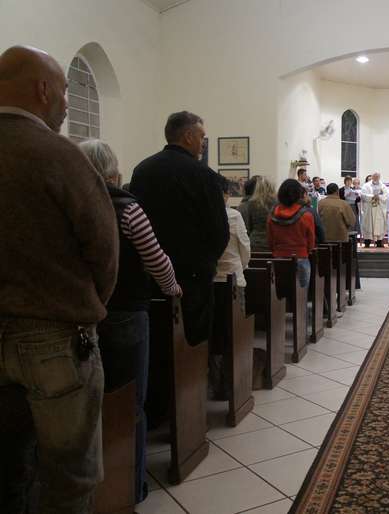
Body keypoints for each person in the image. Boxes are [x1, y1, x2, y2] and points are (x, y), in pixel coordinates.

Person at [0, 45, 119, 514]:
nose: (68, 102)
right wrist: (87, 308)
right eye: (67, 90)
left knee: (6, 470)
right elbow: (105, 252)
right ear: (43, 89)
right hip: (54, 337)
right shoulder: (60, 155)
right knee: (70, 476)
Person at [80, 139, 181, 504]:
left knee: (91, 400)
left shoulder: (70, 203)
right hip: (125, 312)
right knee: (130, 400)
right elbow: (155, 259)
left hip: (82, 315)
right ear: (113, 169)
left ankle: (93, 485)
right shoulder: (127, 207)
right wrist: (172, 288)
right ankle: (132, 485)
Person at [131, 111, 229, 343]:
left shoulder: (142, 170)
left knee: (159, 344)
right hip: (193, 278)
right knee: (193, 343)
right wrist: (205, 263)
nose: (203, 143)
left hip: (151, 277)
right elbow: (219, 232)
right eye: (202, 136)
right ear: (187, 136)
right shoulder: (203, 175)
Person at [210, 175, 251, 400]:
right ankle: (230, 384)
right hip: (233, 281)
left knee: (215, 335)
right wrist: (239, 267)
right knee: (233, 333)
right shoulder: (233, 215)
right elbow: (245, 249)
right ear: (226, 194)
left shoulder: (201, 214)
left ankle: (215, 384)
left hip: (210, 282)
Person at [267, 179, 316, 287]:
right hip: (300, 256)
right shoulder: (306, 215)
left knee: (280, 295)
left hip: (279, 257)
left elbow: (270, 241)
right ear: (298, 194)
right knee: (301, 298)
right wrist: (305, 251)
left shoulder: (272, 215)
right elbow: (311, 241)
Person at [239, 177, 276, 252]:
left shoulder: (251, 204)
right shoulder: (277, 204)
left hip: (255, 244)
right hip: (274, 243)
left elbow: (247, 227)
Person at [361, 173, 387, 247]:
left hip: (379, 208)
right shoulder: (366, 185)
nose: (376, 178)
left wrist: (379, 197)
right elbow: (363, 195)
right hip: (369, 208)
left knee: (379, 224)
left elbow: (386, 195)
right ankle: (367, 242)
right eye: (374, 177)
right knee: (368, 224)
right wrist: (373, 196)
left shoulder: (383, 186)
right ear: (372, 177)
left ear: (379, 177)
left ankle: (379, 242)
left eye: (377, 177)